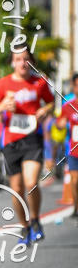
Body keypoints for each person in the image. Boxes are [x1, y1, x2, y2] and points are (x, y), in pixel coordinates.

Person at [0, 51, 54, 244]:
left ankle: (35, 220)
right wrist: (2, 107)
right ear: (12, 62)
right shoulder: (2, 84)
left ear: (31, 62)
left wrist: (44, 110)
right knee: (16, 189)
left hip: (33, 137)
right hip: (10, 141)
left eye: (26, 59)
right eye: (17, 59)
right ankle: (24, 227)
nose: (22, 63)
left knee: (31, 182)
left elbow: (51, 103)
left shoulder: (39, 83)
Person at [57, 72, 78, 218]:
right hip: (74, 149)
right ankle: (76, 208)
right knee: (75, 180)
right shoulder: (68, 106)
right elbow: (59, 123)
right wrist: (61, 124)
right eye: (77, 86)